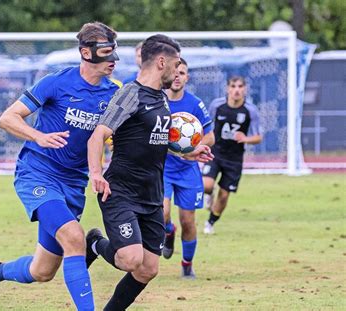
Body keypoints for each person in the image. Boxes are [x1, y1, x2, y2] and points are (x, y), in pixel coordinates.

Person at [0, 22, 120, 311]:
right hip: (38, 173)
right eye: (105, 53)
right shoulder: (56, 82)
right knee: (75, 239)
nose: (112, 60)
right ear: (86, 53)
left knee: (42, 271)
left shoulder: (114, 93)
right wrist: (39, 135)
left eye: (114, 53)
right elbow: (8, 118)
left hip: (74, 183)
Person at [85, 34, 213, 310]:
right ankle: (95, 243)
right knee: (130, 260)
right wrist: (96, 173)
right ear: (162, 62)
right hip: (121, 191)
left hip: (151, 195)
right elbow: (98, 135)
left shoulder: (161, 98)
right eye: (176, 65)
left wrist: (187, 152)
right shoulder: (131, 94)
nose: (178, 72)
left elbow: (154, 139)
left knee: (148, 269)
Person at [161, 58, 215, 278]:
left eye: (182, 73)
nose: (177, 76)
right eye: (175, 72)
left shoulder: (195, 104)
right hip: (163, 169)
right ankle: (168, 232)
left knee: (188, 221)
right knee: (162, 214)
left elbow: (210, 135)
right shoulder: (158, 101)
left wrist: (199, 146)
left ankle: (187, 265)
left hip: (187, 171)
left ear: (187, 77)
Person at [202, 76, 263, 235]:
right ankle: (209, 195)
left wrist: (245, 138)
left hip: (234, 159)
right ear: (228, 89)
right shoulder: (217, 105)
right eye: (233, 86)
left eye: (240, 86)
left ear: (245, 89)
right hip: (215, 153)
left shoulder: (250, 110)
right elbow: (206, 126)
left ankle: (210, 222)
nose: (237, 90)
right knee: (206, 185)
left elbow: (258, 137)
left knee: (223, 197)